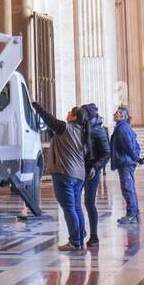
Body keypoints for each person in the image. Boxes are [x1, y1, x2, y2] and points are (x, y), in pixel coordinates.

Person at [33, 101, 88, 251]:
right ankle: (80, 236)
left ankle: (75, 240)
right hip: (78, 175)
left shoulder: (66, 128)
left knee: (69, 208)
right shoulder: (82, 131)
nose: (67, 114)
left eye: (70, 113)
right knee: (76, 207)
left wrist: (36, 105)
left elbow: (48, 118)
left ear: (74, 117)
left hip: (65, 173)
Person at [79, 103, 110, 247]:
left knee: (89, 203)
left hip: (91, 170)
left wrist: (96, 167)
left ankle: (94, 235)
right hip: (78, 169)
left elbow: (106, 153)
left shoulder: (99, 131)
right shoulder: (81, 128)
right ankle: (79, 232)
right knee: (75, 203)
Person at [110, 107, 143, 224]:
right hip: (127, 162)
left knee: (127, 189)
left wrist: (136, 158)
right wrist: (136, 158)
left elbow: (129, 146)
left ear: (122, 116)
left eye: (117, 112)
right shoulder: (124, 127)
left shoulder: (122, 129)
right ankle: (135, 213)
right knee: (130, 188)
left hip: (125, 163)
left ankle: (131, 214)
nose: (114, 113)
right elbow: (135, 145)